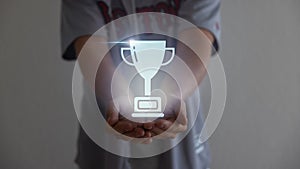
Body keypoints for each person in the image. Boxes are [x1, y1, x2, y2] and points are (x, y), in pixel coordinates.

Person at [61, 0, 220, 169]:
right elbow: (91, 47)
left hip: (182, 138)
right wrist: (121, 99)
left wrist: (171, 97)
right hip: (104, 131)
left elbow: (197, 39)